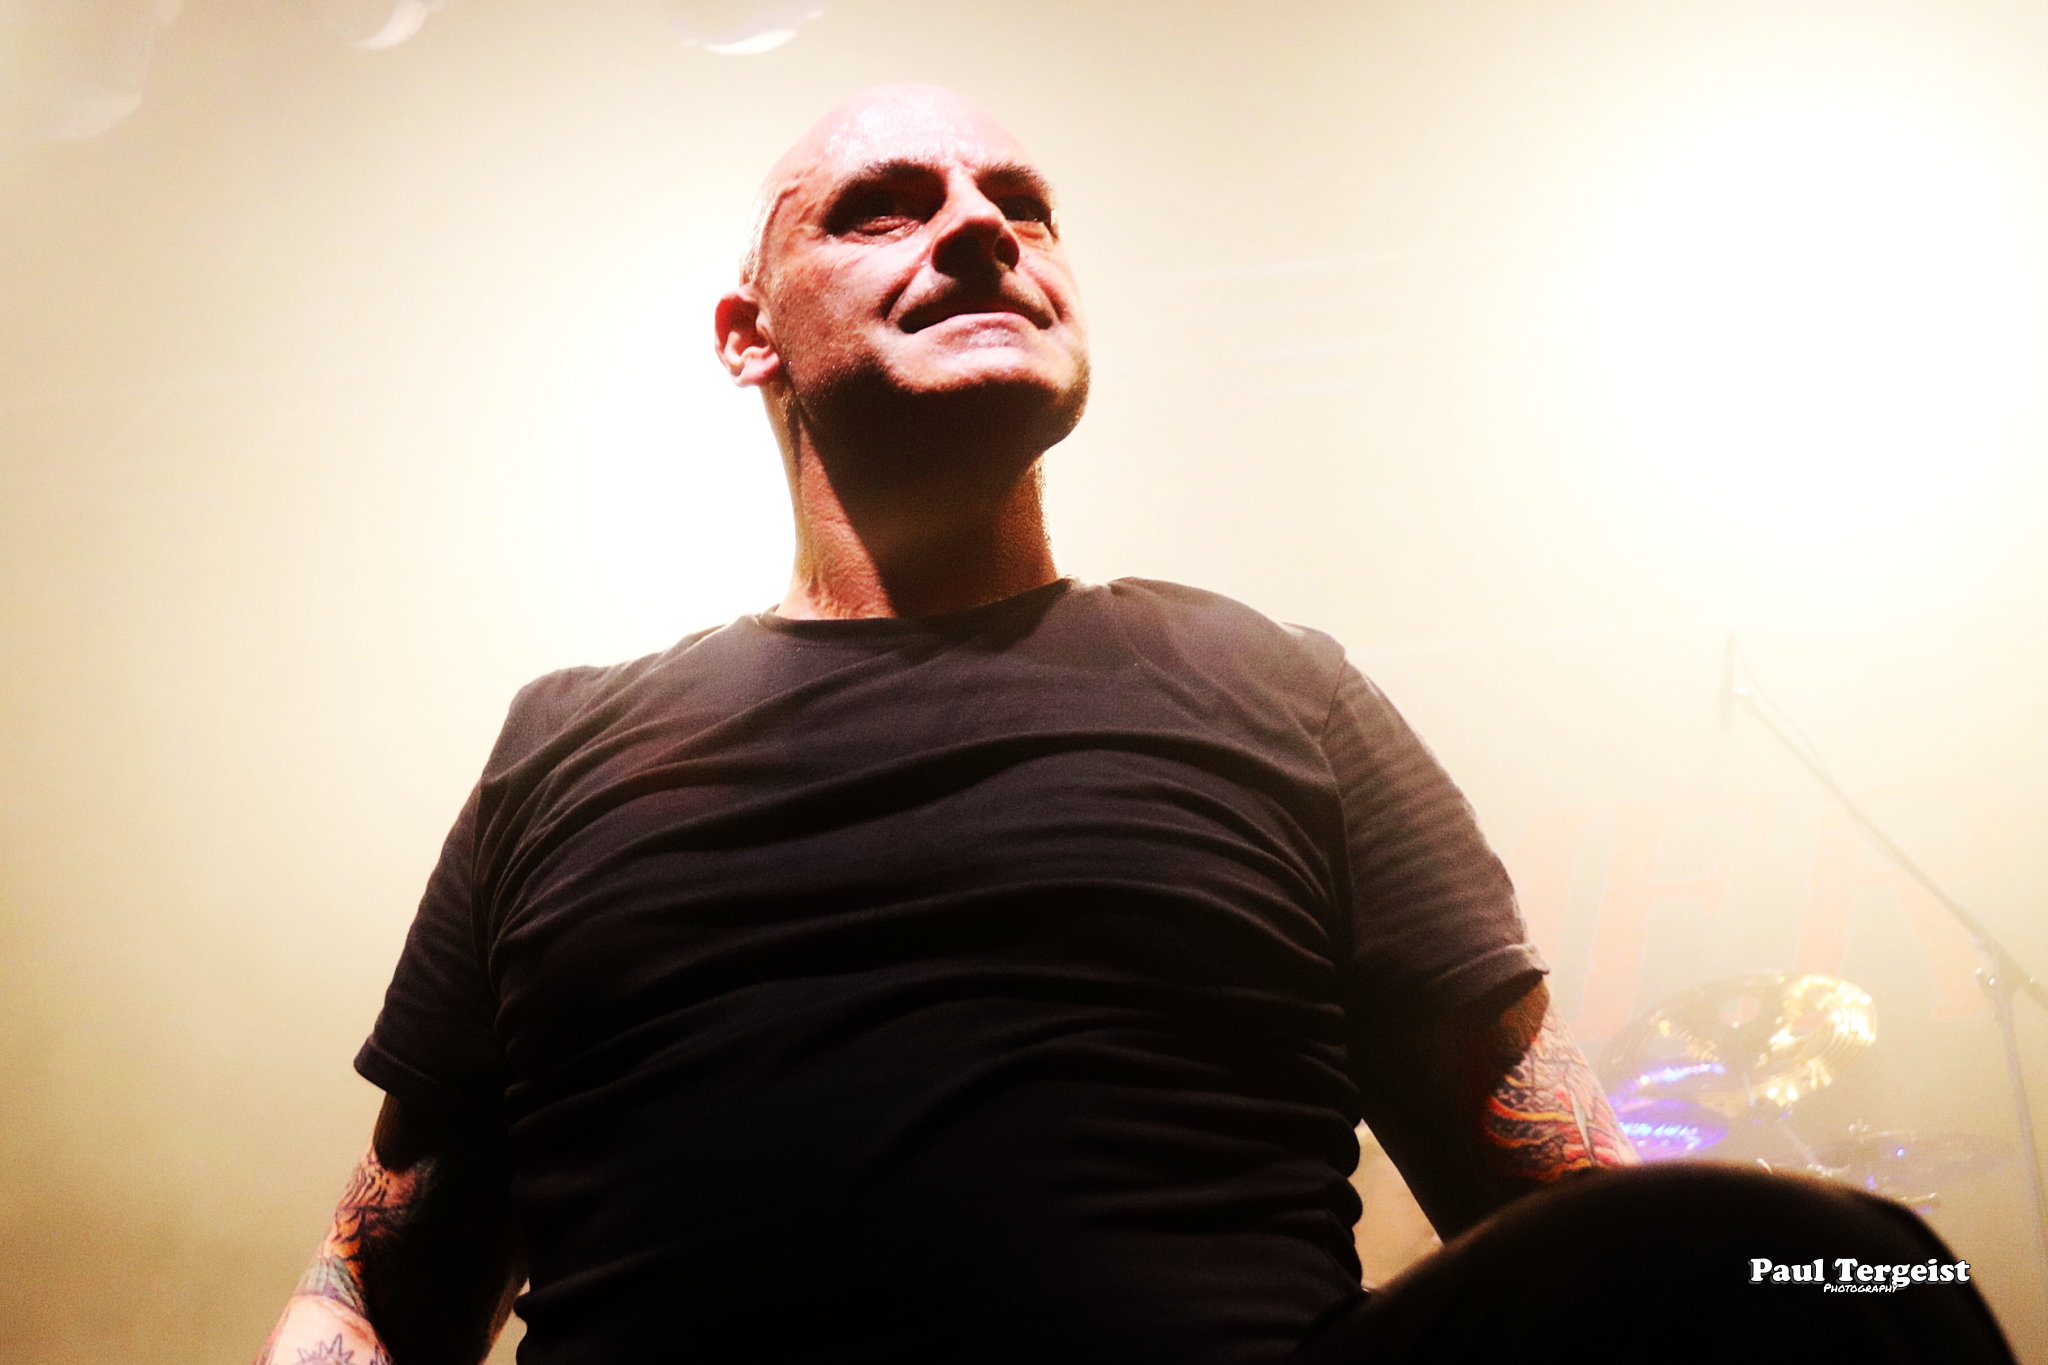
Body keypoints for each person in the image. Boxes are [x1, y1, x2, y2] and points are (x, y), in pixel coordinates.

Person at [255, 85, 2016, 1364]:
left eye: (1019, 203)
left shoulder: (1273, 685)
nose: (981, 228)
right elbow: (374, 1285)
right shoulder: (567, 748)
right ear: (746, 336)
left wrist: (1836, 1286)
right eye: (883, 206)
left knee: (1857, 1269)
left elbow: (1561, 1198)